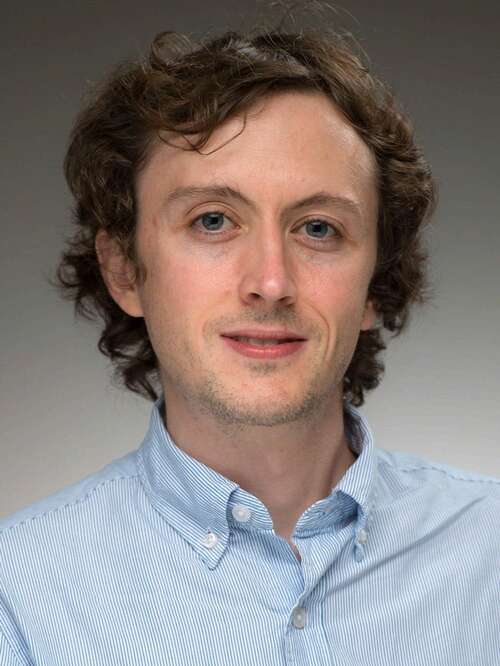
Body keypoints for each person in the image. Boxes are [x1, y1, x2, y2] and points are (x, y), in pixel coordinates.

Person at [1, 18, 499, 666]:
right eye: (213, 220)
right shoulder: (20, 597)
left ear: (376, 283)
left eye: (318, 228)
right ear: (124, 269)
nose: (270, 282)